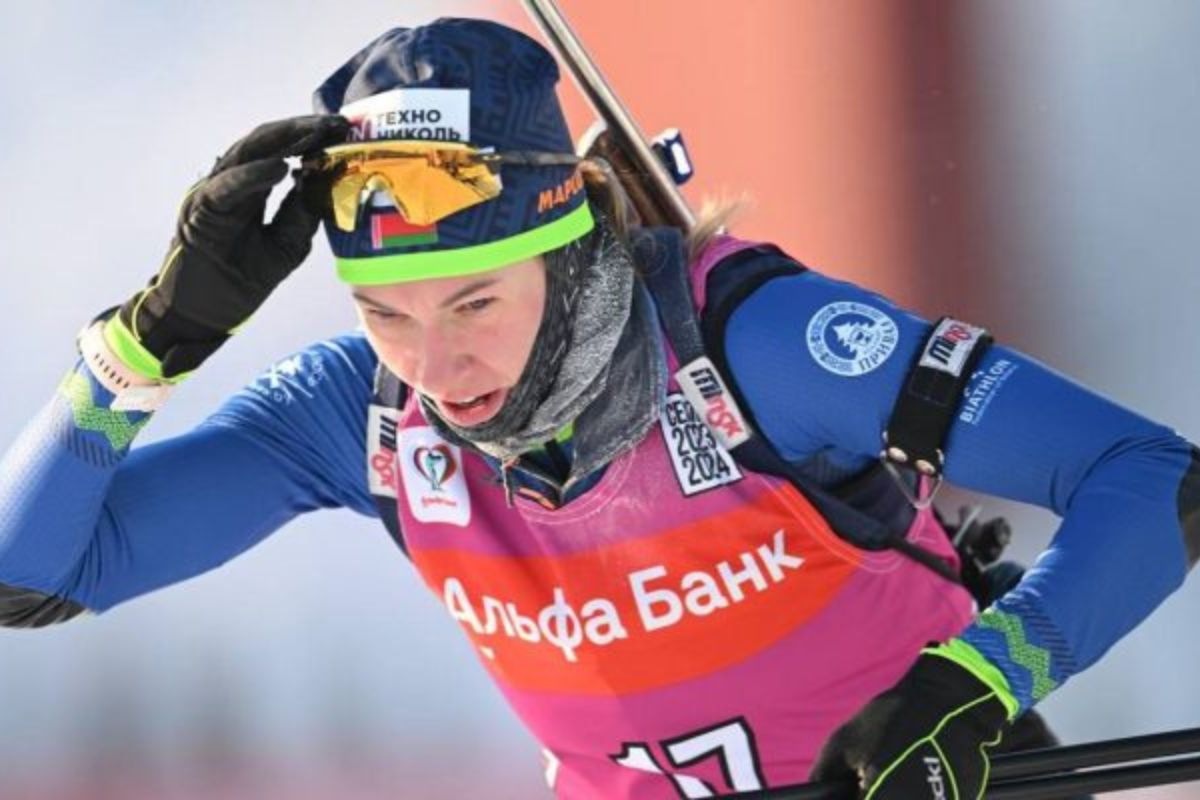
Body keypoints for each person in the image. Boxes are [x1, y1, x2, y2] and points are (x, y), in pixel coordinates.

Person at [0, 16, 1195, 800]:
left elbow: (1155, 478)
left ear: (568, 245)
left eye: (476, 300)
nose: (437, 364)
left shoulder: (756, 344)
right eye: (387, 314)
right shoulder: (358, 413)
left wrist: (973, 685)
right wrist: (149, 340)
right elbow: (31, 573)